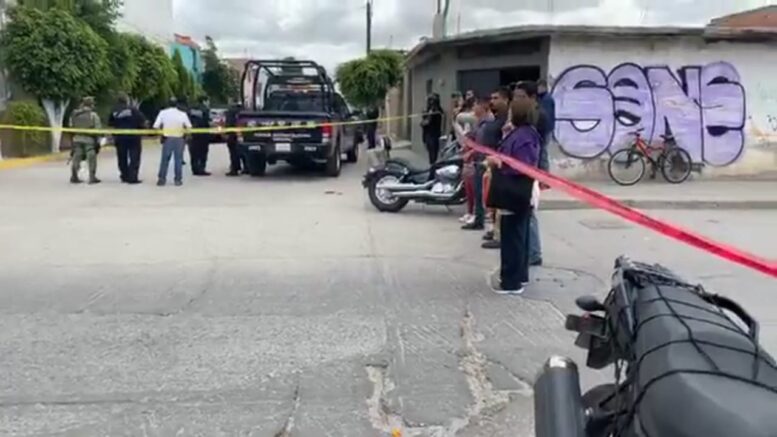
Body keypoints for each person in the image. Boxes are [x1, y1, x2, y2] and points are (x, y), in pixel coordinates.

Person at [486, 98, 541, 295]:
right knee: (518, 234)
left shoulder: (524, 137)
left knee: (512, 237)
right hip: (516, 190)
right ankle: (519, 276)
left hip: (514, 190)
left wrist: (498, 163)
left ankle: (511, 281)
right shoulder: (521, 133)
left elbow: (521, 165)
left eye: (511, 111)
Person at [513, 81, 550, 266]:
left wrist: (541, 175)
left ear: (532, 98)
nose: (517, 101)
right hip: (526, 172)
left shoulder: (538, 117)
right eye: (515, 97)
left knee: (529, 213)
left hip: (530, 172)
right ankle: (529, 250)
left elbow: (540, 149)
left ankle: (534, 253)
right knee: (525, 214)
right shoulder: (526, 116)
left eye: (521, 97)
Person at [478, 87, 511, 240]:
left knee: (498, 203)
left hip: (499, 164)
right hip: (489, 163)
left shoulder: (507, 120)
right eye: (492, 98)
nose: (492, 101)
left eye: (496, 98)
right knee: (490, 200)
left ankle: (498, 234)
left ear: (506, 100)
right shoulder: (495, 118)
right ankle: (493, 229)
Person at [108, 93, 147, 184]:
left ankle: (124, 175)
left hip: (120, 137)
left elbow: (110, 124)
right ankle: (132, 177)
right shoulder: (133, 110)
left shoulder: (114, 111)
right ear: (127, 101)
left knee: (122, 157)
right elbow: (142, 121)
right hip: (134, 137)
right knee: (134, 157)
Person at [154, 97, 192, 187]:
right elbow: (189, 127)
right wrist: (186, 136)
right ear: (177, 104)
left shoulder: (163, 113)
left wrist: (161, 134)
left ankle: (161, 179)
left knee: (165, 160)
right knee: (178, 160)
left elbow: (156, 126)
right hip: (179, 138)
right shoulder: (182, 114)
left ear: (168, 103)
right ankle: (178, 180)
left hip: (167, 138)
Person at [69, 96, 103, 185]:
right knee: (91, 158)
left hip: (76, 139)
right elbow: (98, 129)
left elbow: (71, 127)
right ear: (91, 105)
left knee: (76, 158)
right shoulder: (93, 115)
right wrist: (98, 140)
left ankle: (74, 176)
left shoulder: (75, 114)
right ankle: (92, 177)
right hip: (89, 140)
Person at [188, 96, 212, 176]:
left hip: (193, 133)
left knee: (194, 152)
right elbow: (207, 121)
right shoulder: (205, 109)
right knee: (203, 152)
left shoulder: (191, 109)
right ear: (204, 101)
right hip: (203, 134)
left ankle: (195, 169)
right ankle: (201, 169)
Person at [421, 93, 443, 164]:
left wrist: (425, 121)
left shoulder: (436, 111)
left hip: (433, 135)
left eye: (431, 100)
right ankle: (432, 166)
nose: (430, 102)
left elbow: (428, 122)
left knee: (433, 155)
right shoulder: (429, 110)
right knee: (431, 154)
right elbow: (424, 120)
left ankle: (433, 168)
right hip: (428, 134)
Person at [225, 99, 244, 177]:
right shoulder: (243, 110)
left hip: (232, 134)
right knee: (243, 152)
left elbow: (229, 123)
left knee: (233, 152)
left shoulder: (230, 111)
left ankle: (234, 169)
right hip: (243, 133)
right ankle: (246, 168)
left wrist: (227, 133)